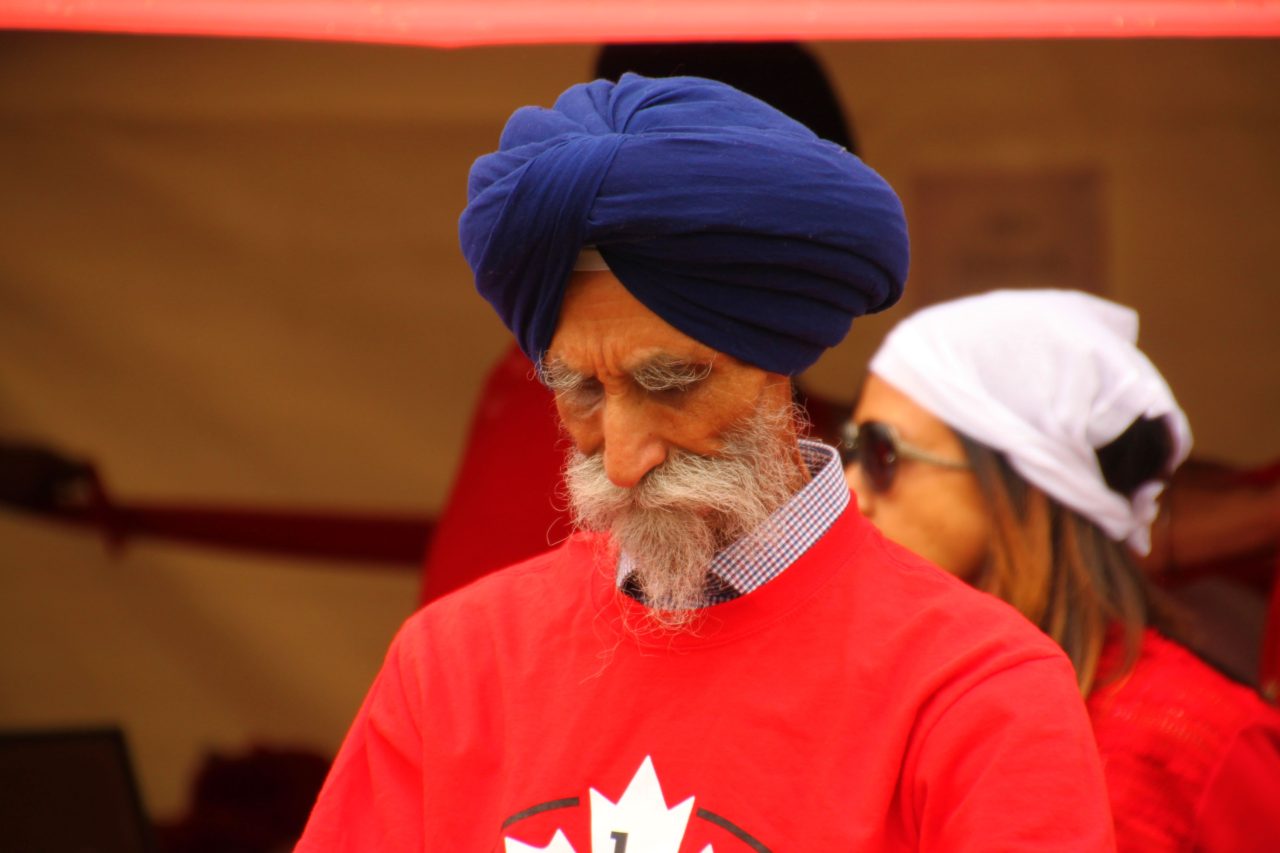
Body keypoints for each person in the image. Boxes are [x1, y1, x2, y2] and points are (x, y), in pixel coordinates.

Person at [297, 75, 1114, 851]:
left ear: (778, 365)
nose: (623, 461)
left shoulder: (975, 693)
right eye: (581, 390)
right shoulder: (450, 664)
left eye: (672, 385)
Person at [845, 288, 1280, 851]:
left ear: (1022, 485)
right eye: (850, 447)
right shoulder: (870, 696)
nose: (849, 490)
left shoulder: (1200, 740)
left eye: (882, 453)